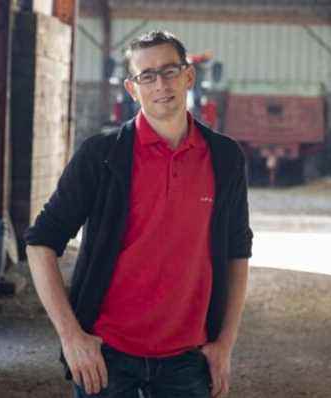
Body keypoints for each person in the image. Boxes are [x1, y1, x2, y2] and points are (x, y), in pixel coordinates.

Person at [24, 30, 253, 398]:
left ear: (188, 76)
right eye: (147, 75)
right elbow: (40, 244)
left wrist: (225, 344)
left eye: (169, 71)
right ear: (133, 89)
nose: (160, 84)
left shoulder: (225, 157)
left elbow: (237, 253)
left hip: (189, 358)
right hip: (107, 354)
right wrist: (71, 337)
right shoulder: (101, 156)